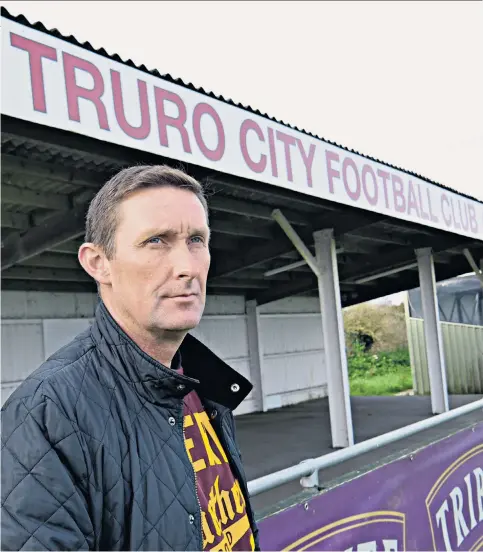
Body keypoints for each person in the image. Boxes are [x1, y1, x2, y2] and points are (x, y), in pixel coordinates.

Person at [1, 165, 260, 551]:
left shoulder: (201, 381)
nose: (187, 267)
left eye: (196, 240)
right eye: (156, 240)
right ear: (98, 263)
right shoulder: (47, 414)